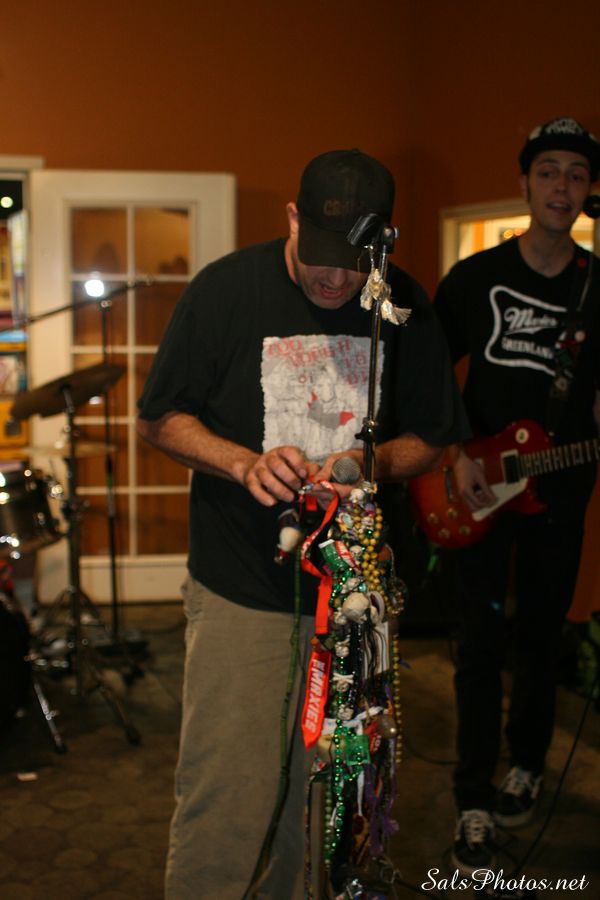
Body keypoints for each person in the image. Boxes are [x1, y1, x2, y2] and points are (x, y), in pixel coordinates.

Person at [137, 148, 468, 899]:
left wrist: (362, 462)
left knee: (324, 812)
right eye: (321, 256)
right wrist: (241, 463)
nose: (335, 279)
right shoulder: (225, 290)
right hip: (242, 591)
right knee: (228, 798)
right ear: (292, 218)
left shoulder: (404, 304)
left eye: (354, 262)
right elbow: (158, 419)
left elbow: (432, 438)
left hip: (353, 598)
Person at [433, 117, 600, 874]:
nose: (563, 185)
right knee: (477, 644)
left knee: (539, 639)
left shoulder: (597, 287)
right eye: (549, 171)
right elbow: (428, 377)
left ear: (588, 191)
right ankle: (470, 792)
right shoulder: (475, 278)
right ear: (526, 184)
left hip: (560, 489)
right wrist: (451, 452)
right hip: (476, 484)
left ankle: (526, 764)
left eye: (577, 174)